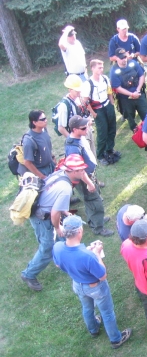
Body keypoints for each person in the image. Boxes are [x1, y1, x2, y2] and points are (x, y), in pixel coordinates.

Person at [53, 215, 132, 349]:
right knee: (107, 313)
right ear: (79, 231)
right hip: (95, 287)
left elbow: (58, 265)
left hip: (78, 284)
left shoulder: (58, 247)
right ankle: (116, 339)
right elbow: (102, 275)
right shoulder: (87, 256)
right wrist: (96, 253)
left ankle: (93, 329)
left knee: (87, 308)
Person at [20, 154, 90, 291]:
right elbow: (54, 213)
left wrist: (64, 212)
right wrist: (58, 227)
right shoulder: (66, 189)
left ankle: (66, 260)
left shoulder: (59, 173)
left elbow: (52, 197)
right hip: (42, 218)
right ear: (73, 171)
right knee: (47, 248)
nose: (83, 172)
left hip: (43, 209)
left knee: (63, 238)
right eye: (81, 169)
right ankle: (29, 274)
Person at [65, 116, 114, 236]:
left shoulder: (77, 136)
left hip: (88, 175)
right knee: (95, 202)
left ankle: (94, 220)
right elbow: (79, 171)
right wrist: (89, 183)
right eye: (83, 128)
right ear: (74, 129)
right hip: (84, 179)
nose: (86, 129)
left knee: (90, 201)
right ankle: (98, 228)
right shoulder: (73, 148)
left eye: (86, 126)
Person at [82, 59, 120, 166]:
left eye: (102, 67)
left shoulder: (105, 78)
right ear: (92, 68)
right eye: (99, 67)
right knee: (102, 131)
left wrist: (112, 102)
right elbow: (85, 100)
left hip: (107, 105)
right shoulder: (88, 84)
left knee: (112, 128)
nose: (101, 69)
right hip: (98, 109)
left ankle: (110, 149)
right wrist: (93, 113)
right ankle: (100, 155)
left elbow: (109, 91)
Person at [110, 48, 147, 131]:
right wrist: (131, 94)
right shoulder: (114, 71)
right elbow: (117, 87)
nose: (124, 60)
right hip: (125, 98)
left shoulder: (133, 63)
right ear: (116, 58)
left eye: (125, 57)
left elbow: (141, 76)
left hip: (138, 93)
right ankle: (135, 131)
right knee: (130, 117)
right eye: (121, 58)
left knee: (146, 114)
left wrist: (138, 90)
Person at [17, 110, 56, 178]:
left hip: (51, 165)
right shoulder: (29, 141)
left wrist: (53, 158)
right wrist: (42, 176)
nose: (46, 120)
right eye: (42, 119)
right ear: (34, 122)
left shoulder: (44, 129)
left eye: (45, 118)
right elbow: (27, 162)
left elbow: (46, 146)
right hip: (41, 171)